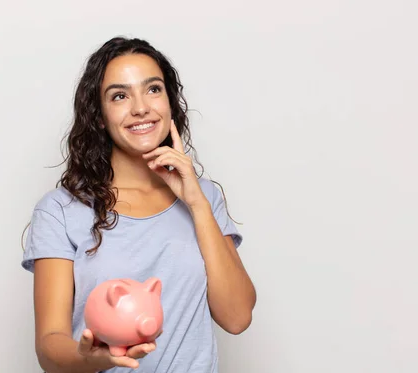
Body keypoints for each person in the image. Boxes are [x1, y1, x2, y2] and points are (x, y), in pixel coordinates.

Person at [21, 36, 256, 373]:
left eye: (153, 89)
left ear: (170, 103)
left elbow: (236, 317)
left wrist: (196, 203)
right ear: (99, 116)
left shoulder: (204, 197)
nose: (140, 107)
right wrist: (95, 358)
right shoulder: (60, 210)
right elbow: (49, 345)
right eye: (119, 96)